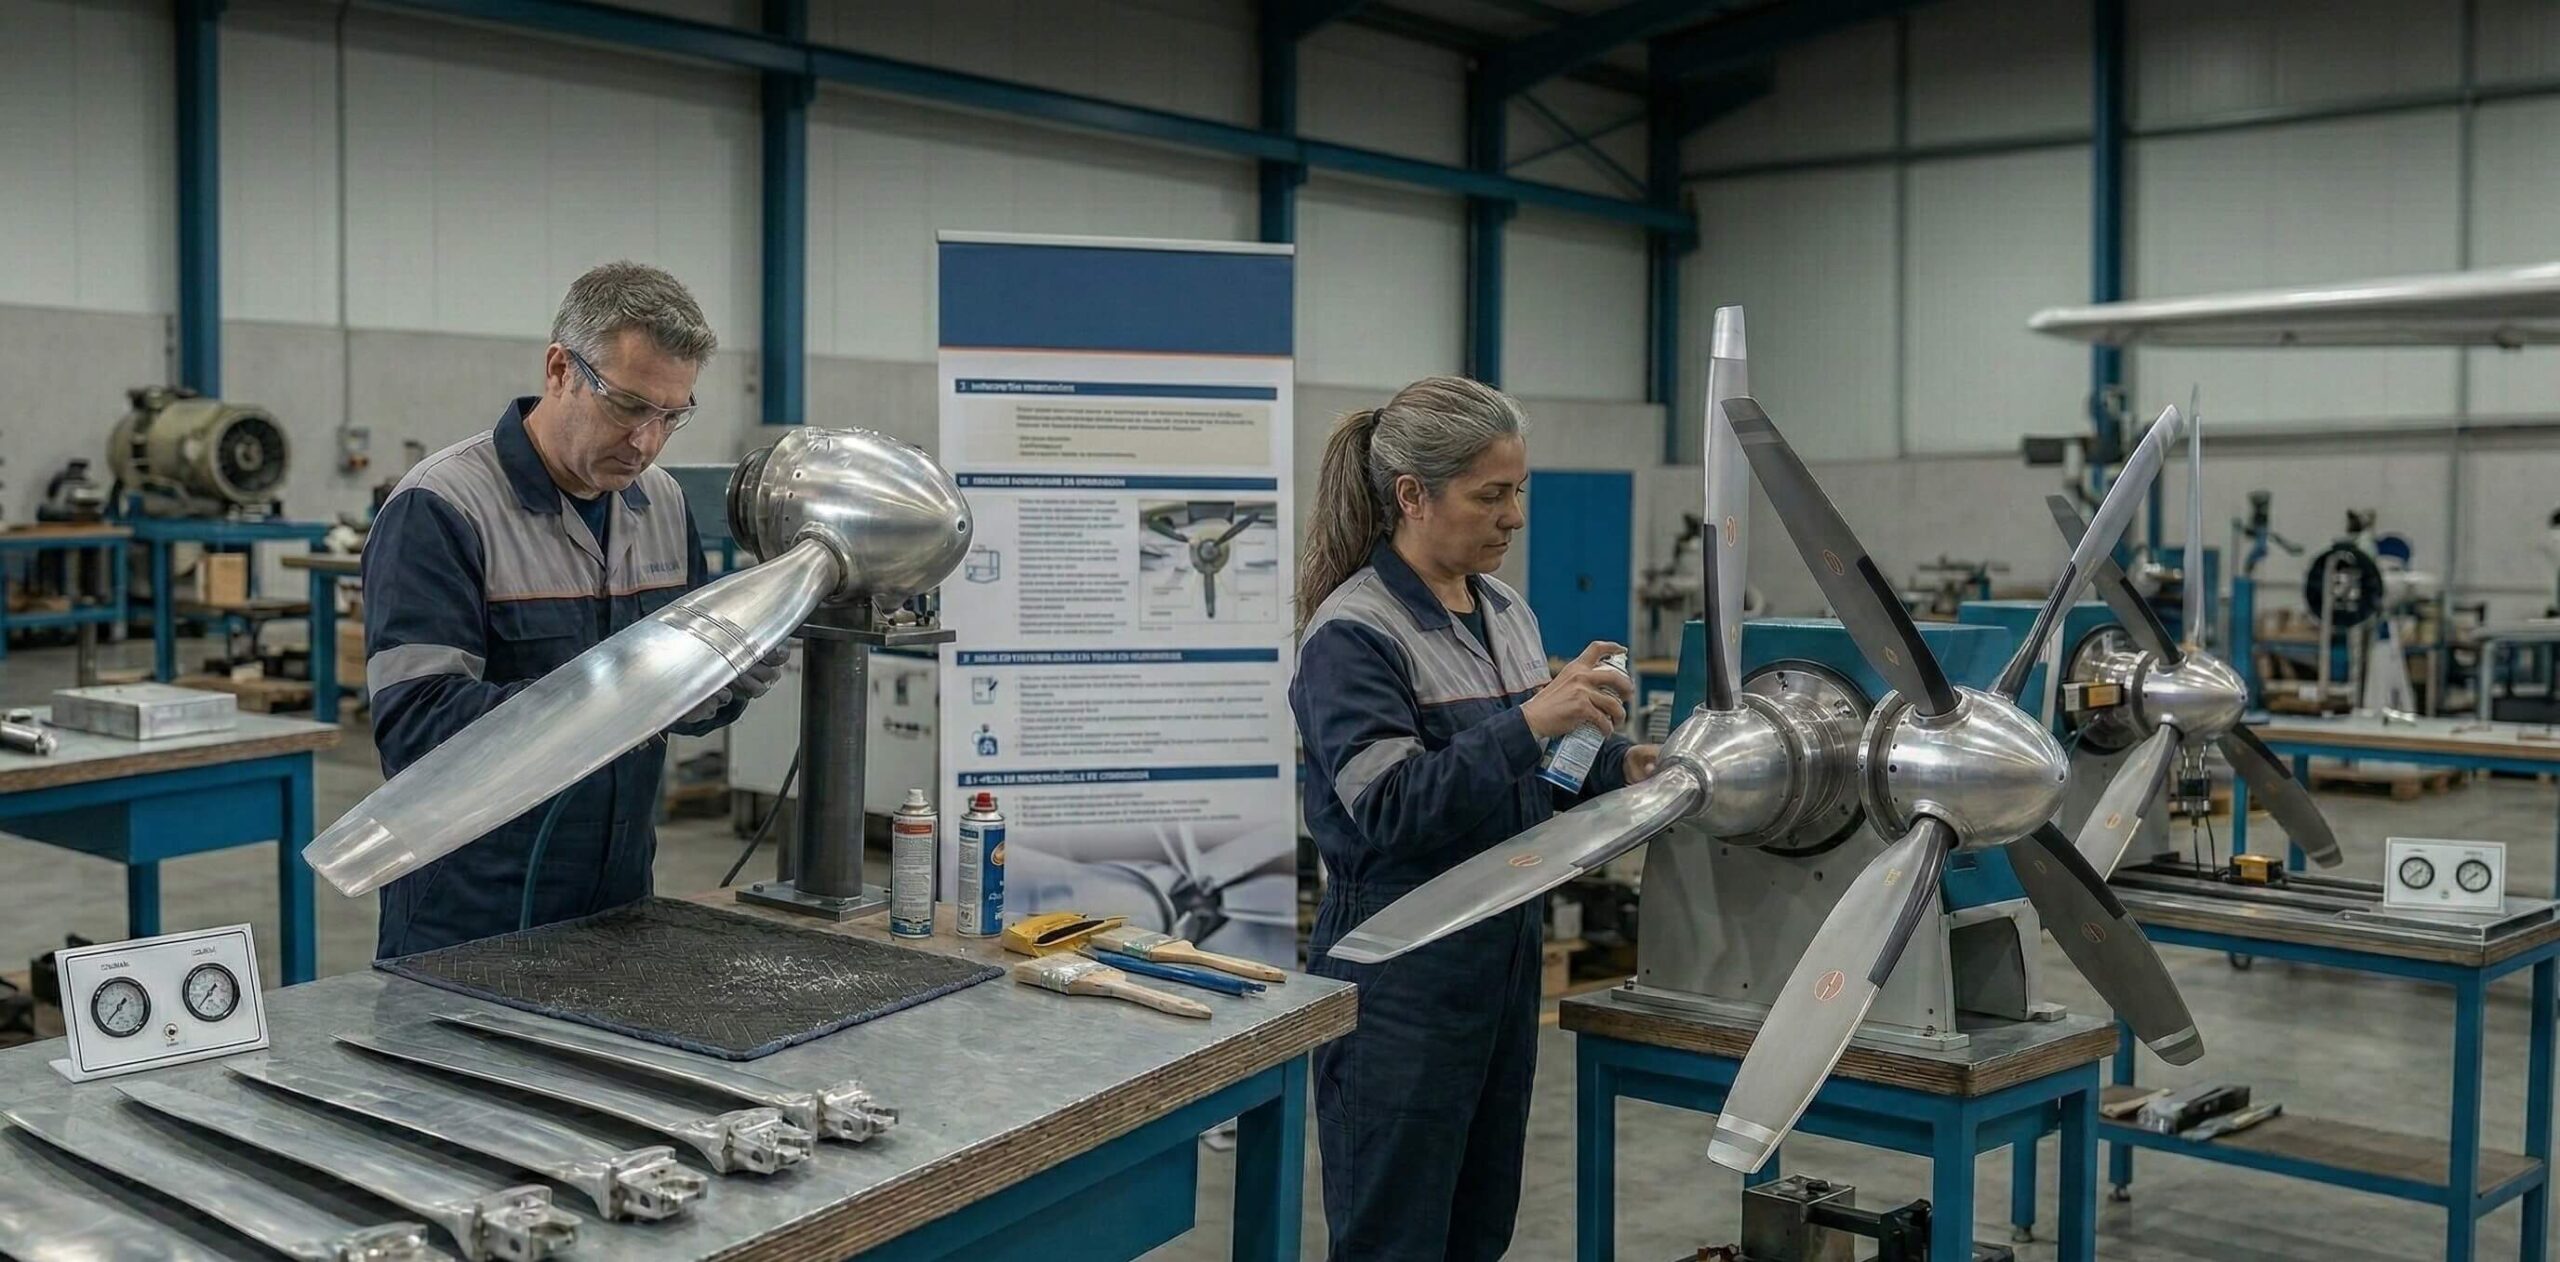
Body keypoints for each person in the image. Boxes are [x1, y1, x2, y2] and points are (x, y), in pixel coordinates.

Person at [1291, 376, 1660, 1260]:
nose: (1514, 517)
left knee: (1477, 1225)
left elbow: (1538, 778)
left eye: (1518, 492)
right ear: (1413, 496)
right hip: (1401, 958)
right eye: (1490, 495)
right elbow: (1391, 808)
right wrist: (1532, 719)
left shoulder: (1507, 613)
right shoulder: (1355, 633)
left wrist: (1623, 767)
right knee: (1396, 1233)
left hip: (1503, 946)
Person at [362, 261, 786, 958]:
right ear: (560, 368)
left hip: (618, 899)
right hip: (469, 911)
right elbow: (416, 726)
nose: (646, 443)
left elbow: (679, 702)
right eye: (627, 407)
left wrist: (722, 684)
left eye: (671, 417)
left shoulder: (663, 505)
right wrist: (618, 694)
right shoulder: (442, 507)